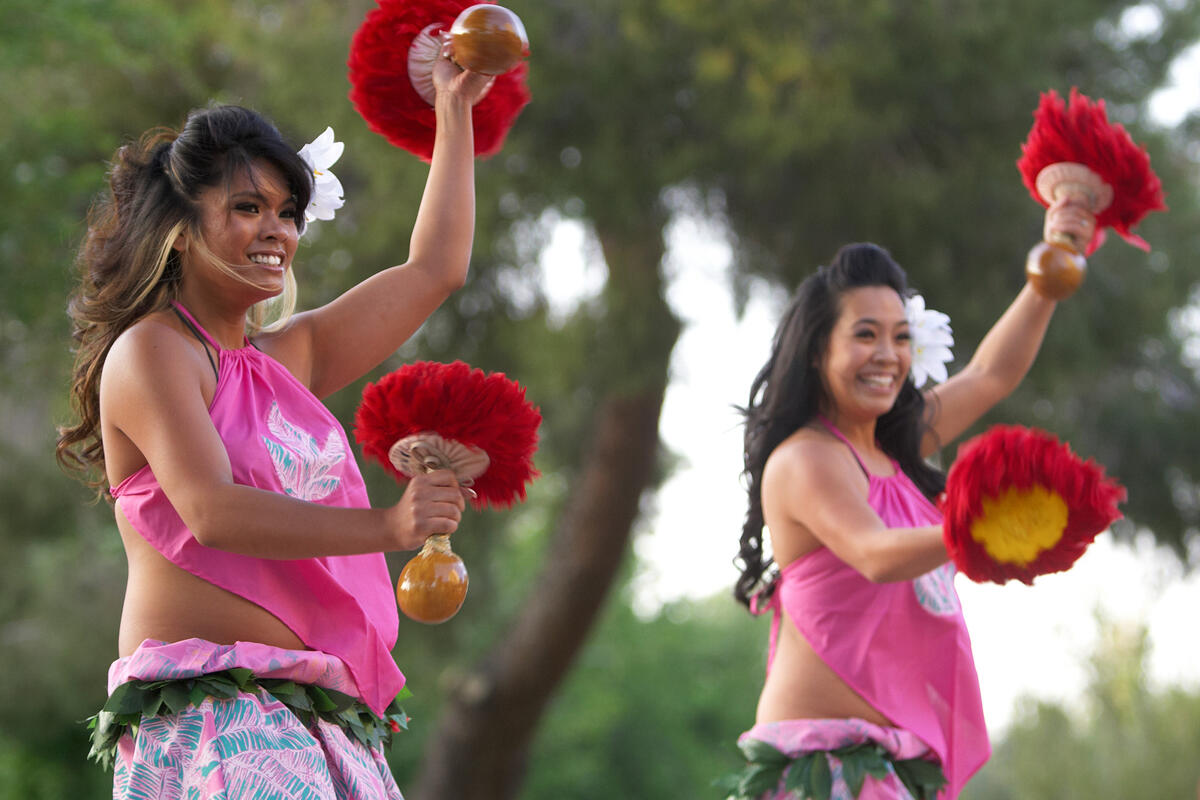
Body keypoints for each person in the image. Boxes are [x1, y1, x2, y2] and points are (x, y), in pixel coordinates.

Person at [55, 47, 494, 800]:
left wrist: (454, 109)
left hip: (327, 718)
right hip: (216, 718)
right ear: (183, 227)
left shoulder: (288, 358)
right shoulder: (154, 351)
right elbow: (211, 511)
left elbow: (435, 270)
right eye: (248, 207)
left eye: (288, 212)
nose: (278, 232)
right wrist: (390, 529)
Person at [729, 204, 1092, 799]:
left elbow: (990, 374)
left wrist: (1052, 267)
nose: (888, 356)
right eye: (865, 334)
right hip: (822, 770)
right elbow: (873, 552)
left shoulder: (895, 449)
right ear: (818, 351)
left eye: (901, 338)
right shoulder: (808, 458)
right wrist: (974, 530)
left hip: (897, 772)